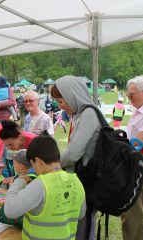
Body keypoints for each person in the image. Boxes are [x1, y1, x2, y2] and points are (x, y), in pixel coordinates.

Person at [4, 133, 86, 240]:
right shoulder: (76, 182)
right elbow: (81, 214)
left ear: (38, 161)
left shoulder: (40, 184)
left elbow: (10, 210)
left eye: (33, 165)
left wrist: (19, 181)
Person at [50, 75, 101, 239]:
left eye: (60, 101)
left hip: (88, 182)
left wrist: (54, 165)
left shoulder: (88, 115)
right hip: (83, 180)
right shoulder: (81, 115)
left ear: (72, 95)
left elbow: (73, 153)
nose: (60, 106)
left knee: (84, 227)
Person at [121, 76, 143, 240]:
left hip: (141, 168)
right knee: (128, 211)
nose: (128, 97)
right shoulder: (139, 110)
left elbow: (137, 143)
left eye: (132, 94)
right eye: (128, 94)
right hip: (133, 167)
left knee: (138, 215)